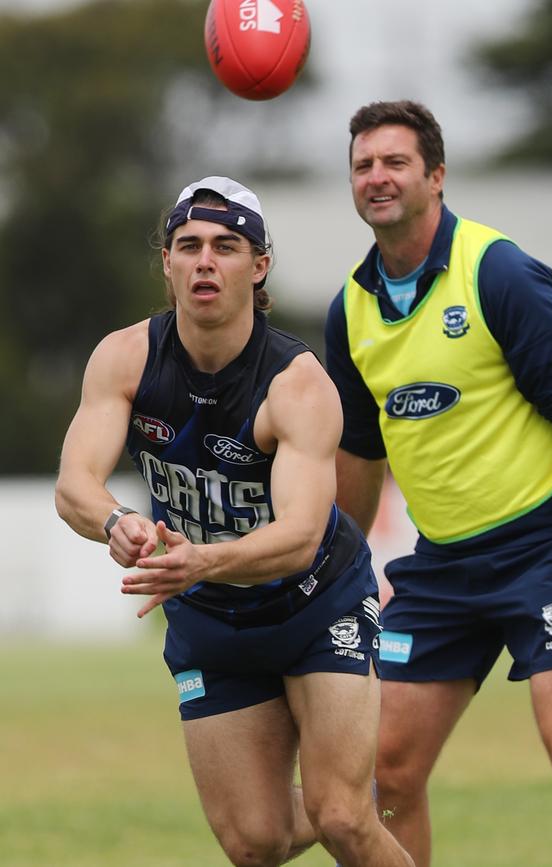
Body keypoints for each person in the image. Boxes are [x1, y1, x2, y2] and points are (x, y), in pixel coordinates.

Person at [325, 100, 552, 867]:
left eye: (395, 162)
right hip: (442, 567)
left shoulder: (496, 270)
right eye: (364, 164)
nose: (378, 177)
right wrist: (334, 576)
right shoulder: (350, 312)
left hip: (551, 545)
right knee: (390, 769)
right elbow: (360, 457)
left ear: (436, 177)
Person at [55, 176, 415, 867]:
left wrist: (199, 560)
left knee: (341, 817)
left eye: (226, 245)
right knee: (254, 842)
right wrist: (117, 522)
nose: (205, 261)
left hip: (316, 602)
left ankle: (347, 793)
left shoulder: (298, 384)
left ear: (260, 265)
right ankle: (347, 784)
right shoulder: (126, 358)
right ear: (166, 262)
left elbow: (301, 536)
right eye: (187, 245)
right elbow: (75, 484)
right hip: (211, 619)